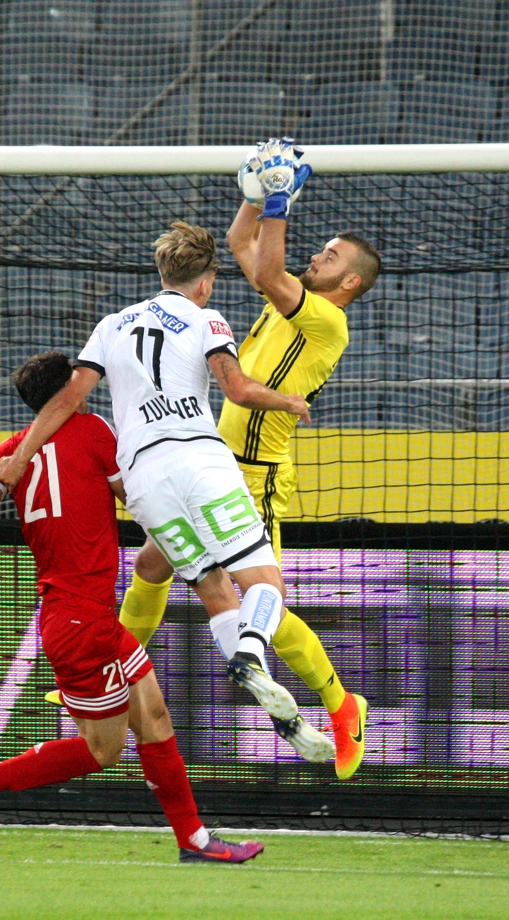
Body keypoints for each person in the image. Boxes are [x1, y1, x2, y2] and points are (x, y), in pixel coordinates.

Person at [0, 220, 333, 765]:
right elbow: (237, 389)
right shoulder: (206, 319)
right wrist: (286, 401)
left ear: (162, 270)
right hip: (199, 461)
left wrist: (21, 456)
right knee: (264, 584)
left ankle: (283, 715)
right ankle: (249, 653)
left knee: (214, 589)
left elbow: (65, 400)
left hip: (145, 483)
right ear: (206, 282)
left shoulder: (111, 325)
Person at [119, 139, 381, 780]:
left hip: (254, 472)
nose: (318, 256)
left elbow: (265, 268)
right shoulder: (284, 303)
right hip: (211, 459)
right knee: (153, 561)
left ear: (348, 282)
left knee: (265, 602)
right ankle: (109, 668)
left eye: (331, 257)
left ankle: (342, 704)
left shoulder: (326, 322)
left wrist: (284, 199)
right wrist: (255, 195)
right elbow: (246, 249)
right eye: (318, 250)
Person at [0, 350, 264, 864]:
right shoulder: (93, 432)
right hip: (79, 622)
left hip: (85, 616)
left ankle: (195, 841)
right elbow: (139, 499)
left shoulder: (10, 452)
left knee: (155, 717)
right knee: (104, 750)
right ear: (70, 386)